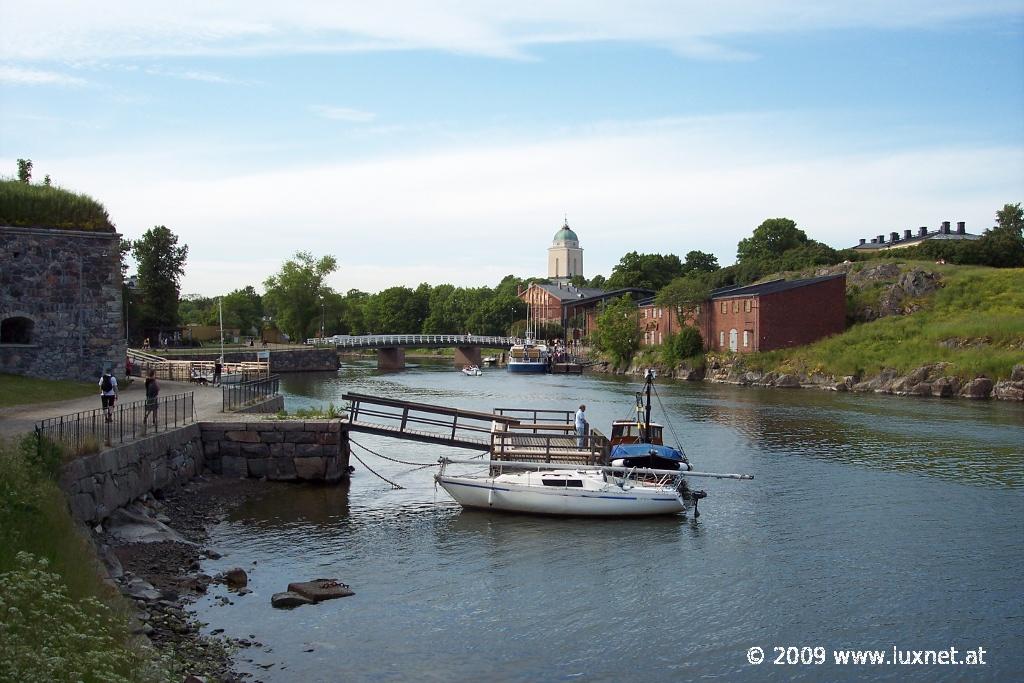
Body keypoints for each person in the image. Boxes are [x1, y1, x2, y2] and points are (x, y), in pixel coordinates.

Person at [142, 369, 159, 434]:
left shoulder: (147, 380)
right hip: (154, 396)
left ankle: (146, 417)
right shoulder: (153, 381)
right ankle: (154, 421)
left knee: (149, 408)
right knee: (154, 409)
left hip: (148, 396)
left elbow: (145, 383)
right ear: (153, 374)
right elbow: (157, 388)